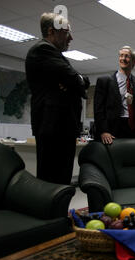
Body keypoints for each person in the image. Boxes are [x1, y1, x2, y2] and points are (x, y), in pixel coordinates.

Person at [25, 12, 90, 185]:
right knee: (51, 181)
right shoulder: (42, 50)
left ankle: (58, 212)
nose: (71, 38)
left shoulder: (56, 56)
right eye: (67, 32)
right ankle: (51, 213)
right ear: (52, 31)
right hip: (53, 127)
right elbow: (74, 79)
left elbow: (80, 81)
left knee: (62, 180)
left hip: (61, 128)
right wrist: (75, 81)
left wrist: (74, 82)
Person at [94, 46, 135, 144]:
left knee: (134, 158)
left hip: (134, 131)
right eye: (121, 56)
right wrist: (103, 130)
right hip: (112, 131)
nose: (123, 58)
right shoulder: (104, 81)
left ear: (134, 62)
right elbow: (98, 109)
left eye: (127, 56)